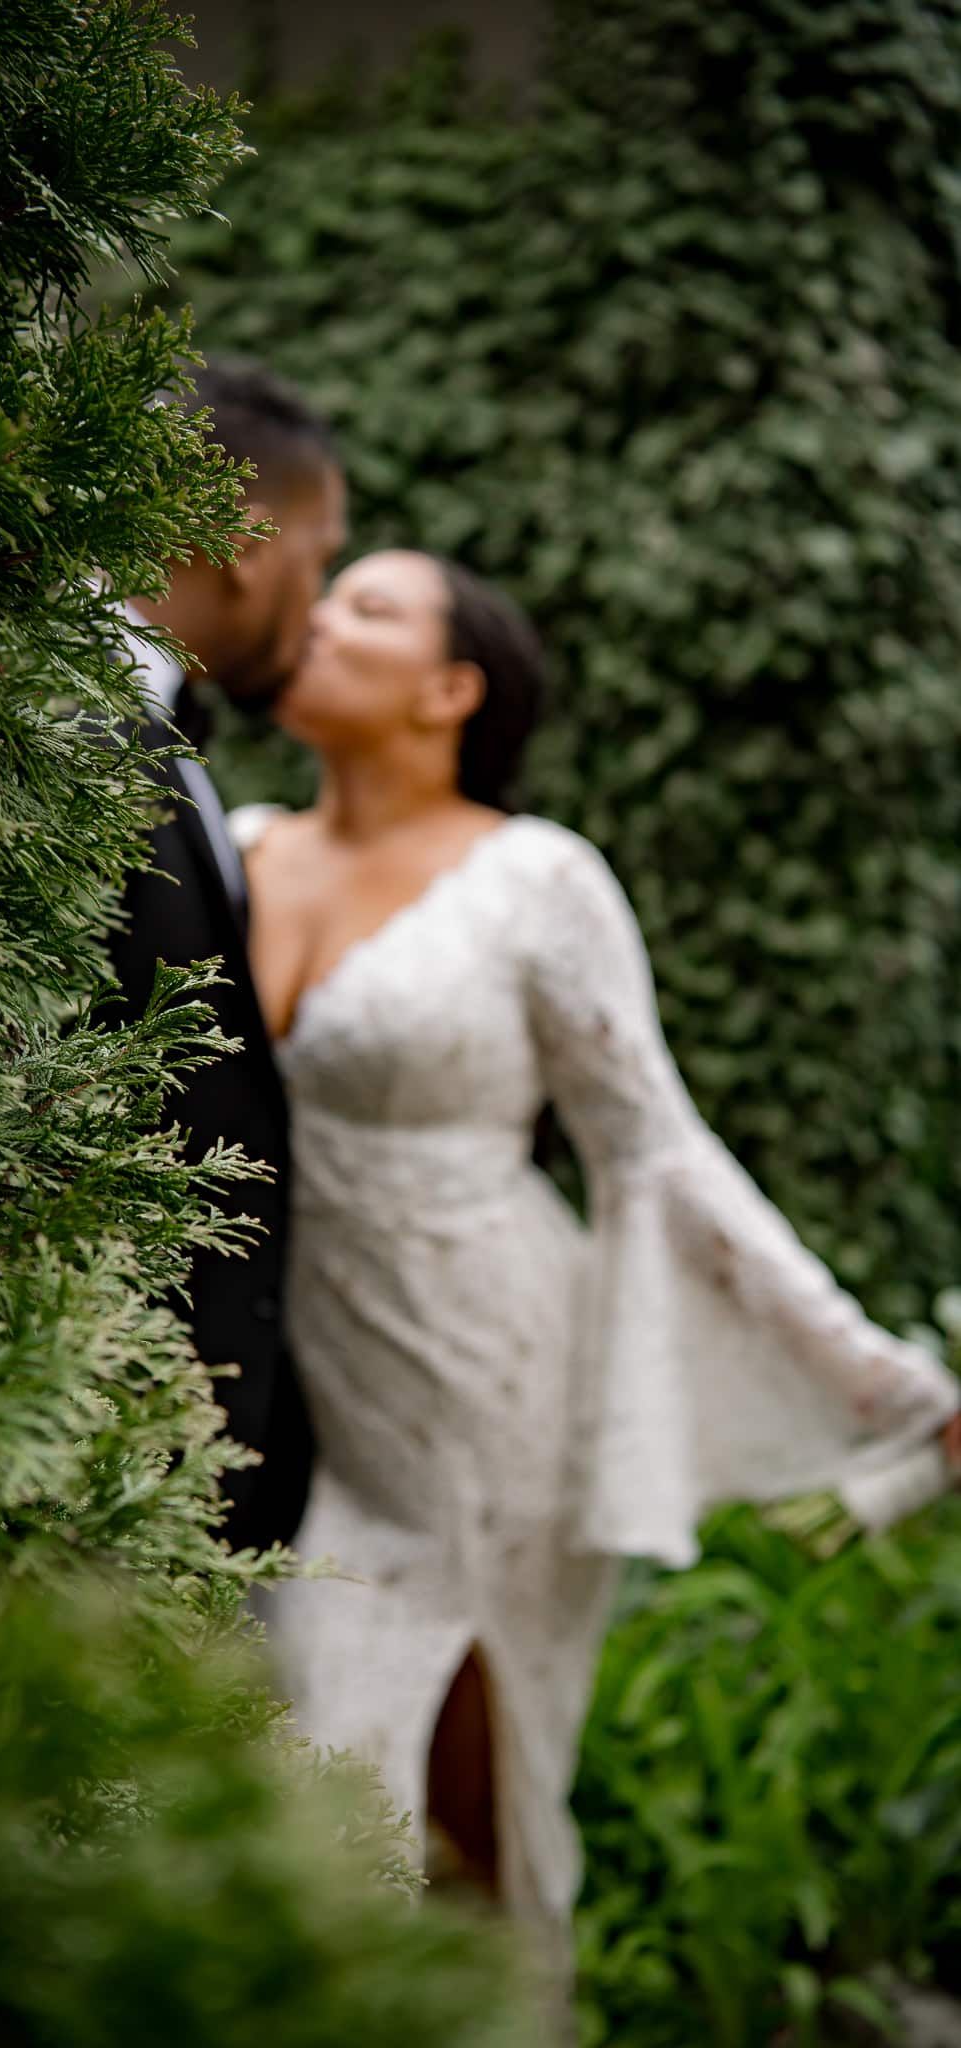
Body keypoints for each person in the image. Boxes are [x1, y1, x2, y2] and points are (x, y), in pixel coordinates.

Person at [230, 547, 961, 2023]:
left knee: (466, 1810)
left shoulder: (536, 880)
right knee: (322, 1773)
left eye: (370, 606)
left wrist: (882, 1379)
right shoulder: (229, 844)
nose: (318, 616)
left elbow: (656, 1153)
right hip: (313, 1403)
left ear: (451, 690)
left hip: (495, 1395)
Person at [105, 359, 347, 1555]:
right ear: (248, 541)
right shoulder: (62, 729)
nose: (319, 603)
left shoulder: (163, 736)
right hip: (96, 1423)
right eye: (320, 555)